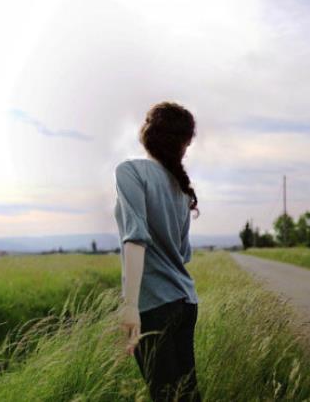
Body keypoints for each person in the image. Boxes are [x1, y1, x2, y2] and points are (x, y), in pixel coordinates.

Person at [113, 101, 201, 402]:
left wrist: (130, 305)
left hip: (155, 306)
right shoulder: (182, 189)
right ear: (183, 144)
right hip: (186, 302)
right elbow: (182, 254)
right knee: (187, 395)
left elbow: (135, 239)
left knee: (164, 395)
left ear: (147, 135)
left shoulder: (130, 172)